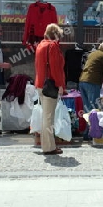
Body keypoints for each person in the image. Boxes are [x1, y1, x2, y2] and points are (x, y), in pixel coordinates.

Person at [34, 23, 66, 155]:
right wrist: (60, 85)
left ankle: (48, 145)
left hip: (41, 84)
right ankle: (48, 147)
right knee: (48, 118)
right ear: (56, 34)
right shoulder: (52, 46)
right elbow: (55, 69)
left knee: (45, 117)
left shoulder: (41, 45)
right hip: (50, 85)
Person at [79, 40, 103, 112]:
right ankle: (94, 123)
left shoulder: (92, 54)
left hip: (82, 81)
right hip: (93, 82)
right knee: (94, 107)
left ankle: (88, 123)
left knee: (87, 107)